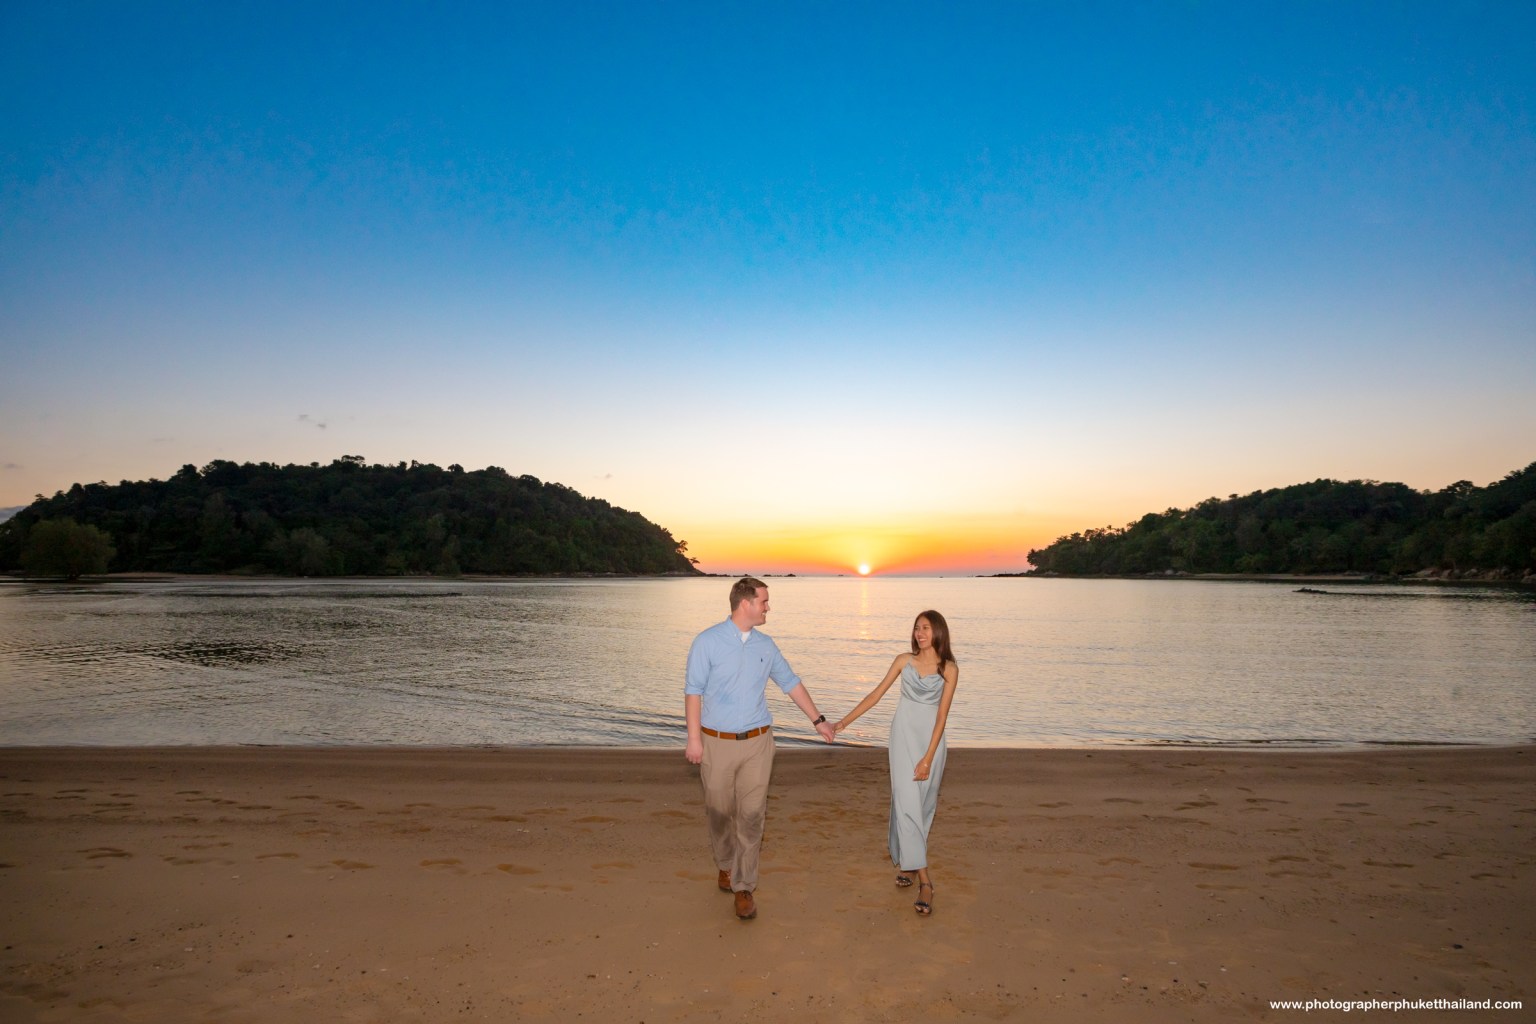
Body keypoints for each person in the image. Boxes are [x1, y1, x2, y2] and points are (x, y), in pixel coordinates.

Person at [685, 576, 837, 921]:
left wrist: (819, 720)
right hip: (716, 743)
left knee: (752, 816)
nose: (768, 607)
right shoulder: (707, 642)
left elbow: (791, 683)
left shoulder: (766, 646)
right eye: (764, 601)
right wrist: (694, 739)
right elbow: (693, 691)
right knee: (719, 812)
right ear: (746, 604)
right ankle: (725, 863)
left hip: (758, 743)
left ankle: (744, 887)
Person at [834, 609, 958, 916]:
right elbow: (875, 695)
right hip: (902, 738)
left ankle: (909, 863)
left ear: (938, 631)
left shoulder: (949, 669)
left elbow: (942, 717)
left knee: (923, 806)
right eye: (916, 628)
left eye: (925, 628)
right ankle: (926, 882)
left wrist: (928, 758)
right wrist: (843, 723)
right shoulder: (904, 661)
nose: (919, 633)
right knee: (906, 804)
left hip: (930, 743)